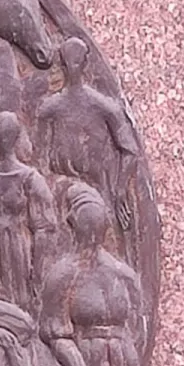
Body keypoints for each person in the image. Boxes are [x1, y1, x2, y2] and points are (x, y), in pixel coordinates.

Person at [38, 183, 141, 366]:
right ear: (75, 223)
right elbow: (57, 336)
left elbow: (137, 327)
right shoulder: (63, 275)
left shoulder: (123, 274)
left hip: (123, 363)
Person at [36, 36, 139, 230]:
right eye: (69, 63)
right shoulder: (49, 110)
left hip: (97, 192)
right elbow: (38, 159)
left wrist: (120, 190)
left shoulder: (105, 107)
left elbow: (130, 151)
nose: (72, 67)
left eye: (75, 62)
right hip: (60, 194)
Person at [0, 111, 57, 311]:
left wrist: (37, 270)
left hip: (18, 246)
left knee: (20, 301)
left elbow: (44, 229)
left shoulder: (29, 178)